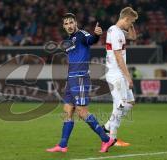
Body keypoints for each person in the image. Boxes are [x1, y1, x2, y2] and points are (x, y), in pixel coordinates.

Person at [46, 13, 114, 153]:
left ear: (75, 23)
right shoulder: (68, 41)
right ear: (63, 26)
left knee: (82, 112)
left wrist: (96, 35)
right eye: (66, 24)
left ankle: (107, 140)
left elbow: (91, 40)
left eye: (71, 22)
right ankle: (63, 145)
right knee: (67, 111)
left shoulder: (82, 34)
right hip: (71, 78)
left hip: (80, 77)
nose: (69, 25)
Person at [103, 7, 138, 147]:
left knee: (129, 103)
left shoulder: (117, 30)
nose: (131, 25)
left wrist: (132, 23)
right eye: (131, 22)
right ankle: (112, 138)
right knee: (121, 105)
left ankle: (106, 127)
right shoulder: (116, 32)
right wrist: (128, 77)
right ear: (125, 19)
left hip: (119, 74)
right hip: (116, 74)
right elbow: (118, 57)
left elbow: (133, 37)